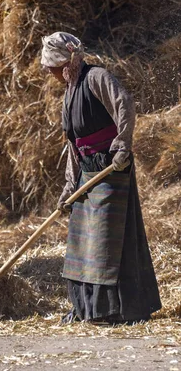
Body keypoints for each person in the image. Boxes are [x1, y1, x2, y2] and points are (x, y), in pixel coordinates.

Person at [41, 31, 161, 324]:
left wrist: (122, 146)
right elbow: (73, 144)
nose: (50, 73)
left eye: (52, 67)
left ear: (65, 62)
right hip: (86, 172)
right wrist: (70, 186)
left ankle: (117, 310)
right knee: (82, 244)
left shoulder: (96, 77)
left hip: (111, 168)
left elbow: (125, 105)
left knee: (107, 240)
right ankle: (88, 309)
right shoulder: (68, 93)